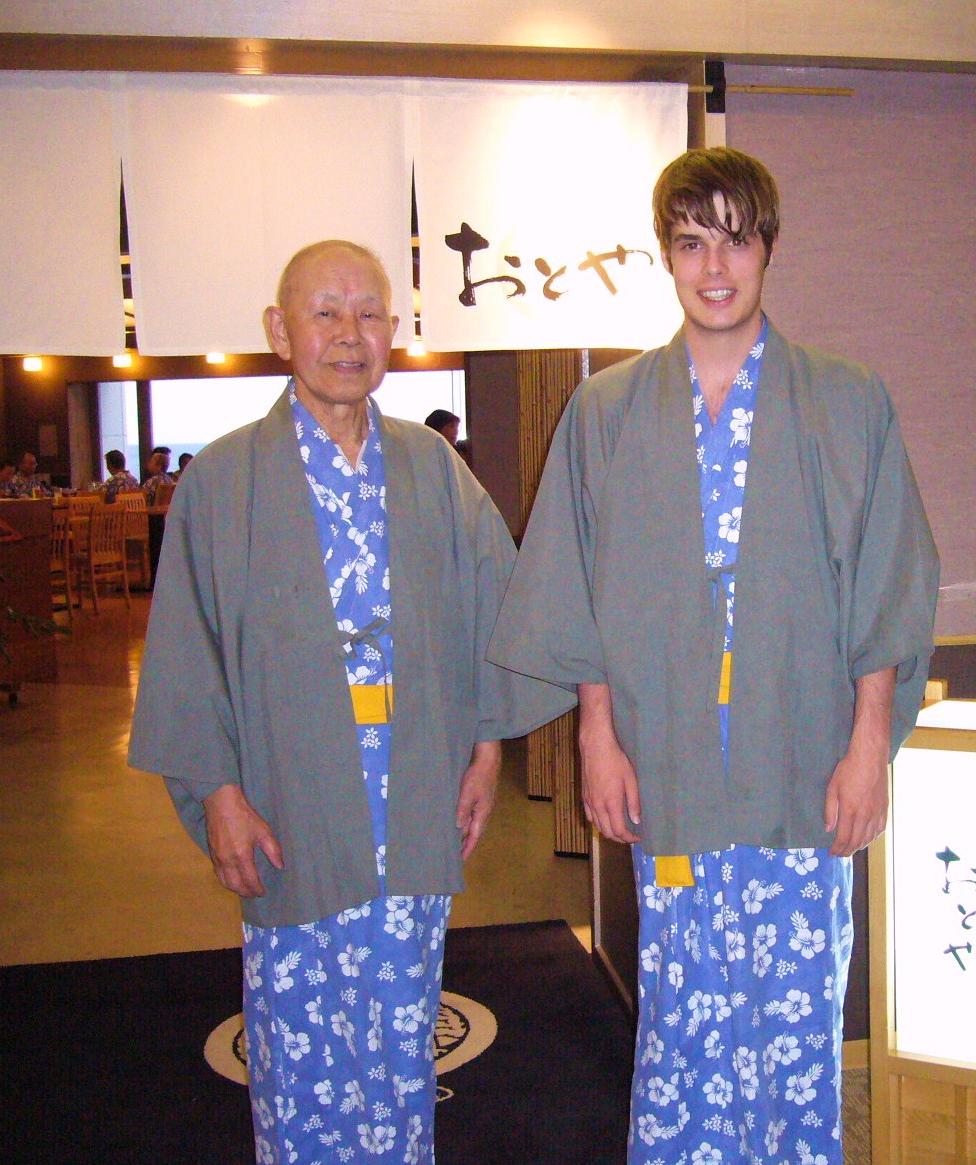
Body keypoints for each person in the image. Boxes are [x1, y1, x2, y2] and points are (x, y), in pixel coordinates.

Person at [488, 148, 939, 1164]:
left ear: (768, 247)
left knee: (796, 1033)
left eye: (735, 237)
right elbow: (579, 588)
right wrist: (594, 739)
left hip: (803, 766)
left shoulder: (847, 402)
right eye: (691, 242)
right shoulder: (605, 413)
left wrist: (870, 745)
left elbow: (886, 583)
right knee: (682, 1033)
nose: (715, 265)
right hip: (672, 769)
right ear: (665, 256)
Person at [129, 239, 572, 1165]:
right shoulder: (222, 479)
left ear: (396, 332)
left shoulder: (432, 468)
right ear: (277, 329)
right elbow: (187, 646)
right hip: (290, 793)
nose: (347, 334)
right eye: (324, 312)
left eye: (368, 312)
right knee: (295, 1048)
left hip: (410, 788)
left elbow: (496, 604)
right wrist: (217, 790)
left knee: (405, 1038)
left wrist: (488, 746)